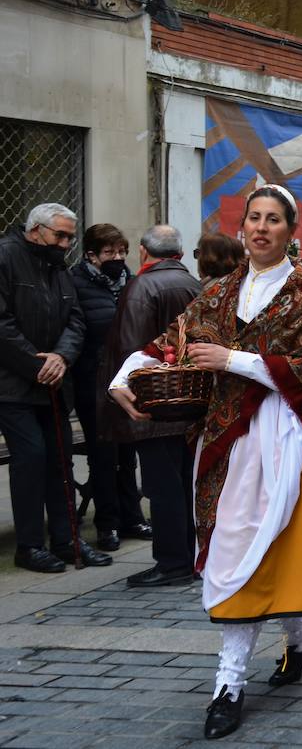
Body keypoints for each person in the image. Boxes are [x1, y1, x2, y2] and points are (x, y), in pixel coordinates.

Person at [109, 185, 302, 740]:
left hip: (284, 437)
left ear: (291, 231)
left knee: (265, 548)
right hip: (229, 438)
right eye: (253, 218)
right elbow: (174, 341)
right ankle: (301, 636)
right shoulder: (221, 290)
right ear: (243, 229)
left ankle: (229, 685)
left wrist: (232, 358)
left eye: (273, 220)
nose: (260, 228)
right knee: (243, 546)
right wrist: (124, 375)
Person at [0, 203, 108, 573]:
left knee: (60, 460)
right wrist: (36, 363)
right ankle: (29, 546)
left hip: (54, 383)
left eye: (70, 238)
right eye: (59, 236)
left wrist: (60, 357)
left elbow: (76, 320)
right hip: (14, 385)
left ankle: (67, 540)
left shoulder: (58, 267)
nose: (65, 244)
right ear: (35, 230)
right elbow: (2, 324)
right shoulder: (6, 257)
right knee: (30, 459)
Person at [102, 225, 204, 587]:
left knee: (162, 488)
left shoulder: (141, 287)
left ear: (144, 252)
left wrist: (120, 394)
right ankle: (188, 558)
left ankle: (172, 563)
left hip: (154, 406)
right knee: (183, 486)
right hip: (190, 403)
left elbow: (131, 348)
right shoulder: (195, 284)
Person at [69, 223, 148, 552]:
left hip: (127, 378)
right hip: (93, 380)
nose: (117, 258)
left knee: (128, 451)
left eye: (121, 252)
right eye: (109, 253)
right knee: (103, 453)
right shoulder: (76, 282)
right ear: (91, 255)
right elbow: (77, 327)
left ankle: (132, 516)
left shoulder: (128, 281)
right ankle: (107, 523)